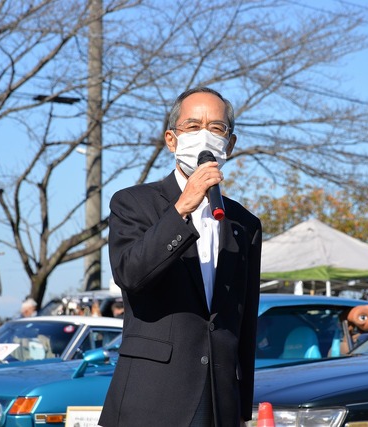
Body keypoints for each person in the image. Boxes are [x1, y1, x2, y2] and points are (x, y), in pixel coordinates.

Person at [98, 87, 262, 427]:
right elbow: (130, 274)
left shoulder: (244, 224)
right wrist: (182, 208)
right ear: (171, 140)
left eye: (216, 128)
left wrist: (241, 407)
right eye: (192, 126)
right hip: (153, 394)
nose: (204, 135)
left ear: (229, 144)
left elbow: (243, 319)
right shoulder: (134, 203)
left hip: (219, 397)